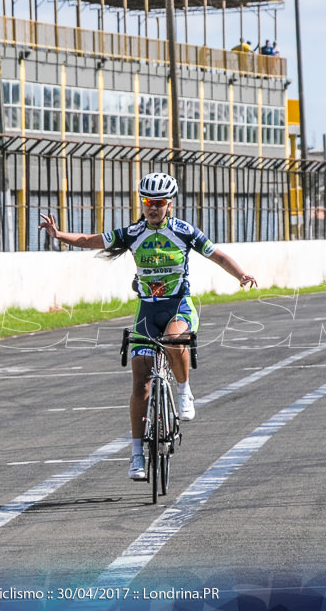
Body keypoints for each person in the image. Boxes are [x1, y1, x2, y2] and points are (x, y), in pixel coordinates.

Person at [38, 172, 257, 481]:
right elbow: (90, 240)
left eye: (158, 203)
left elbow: (217, 255)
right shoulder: (133, 232)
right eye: (146, 202)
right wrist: (58, 235)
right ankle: (137, 454)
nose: (152, 208)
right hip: (146, 311)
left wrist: (241, 275)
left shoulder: (184, 232)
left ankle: (184, 391)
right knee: (140, 378)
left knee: (172, 341)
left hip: (178, 306)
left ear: (169, 204)